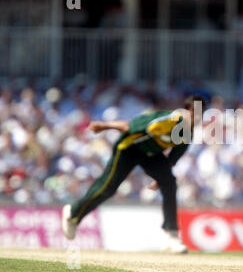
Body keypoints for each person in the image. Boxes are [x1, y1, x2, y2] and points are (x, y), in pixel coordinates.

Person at [61, 95, 207, 253]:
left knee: (170, 183)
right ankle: (73, 213)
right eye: (194, 113)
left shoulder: (188, 133)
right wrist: (103, 126)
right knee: (108, 187)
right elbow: (128, 126)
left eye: (200, 114)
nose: (196, 117)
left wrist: (162, 177)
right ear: (185, 111)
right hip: (129, 148)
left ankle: (171, 236)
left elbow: (172, 158)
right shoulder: (168, 120)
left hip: (151, 153)